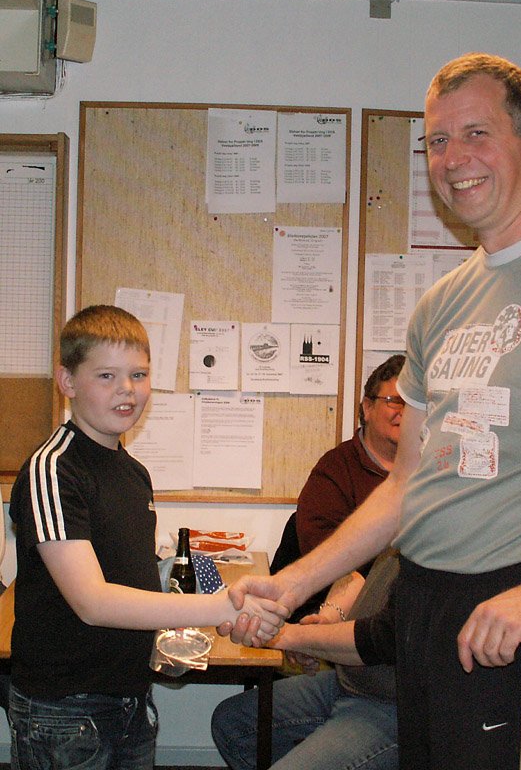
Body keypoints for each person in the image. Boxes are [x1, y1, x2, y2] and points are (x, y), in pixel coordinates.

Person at [226, 53, 521, 769]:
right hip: (420, 602)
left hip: (503, 608)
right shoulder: (442, 301)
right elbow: (405, 484)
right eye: (437, 140)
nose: (453, 159)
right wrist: (290, 584)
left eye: (477, 133)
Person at [8, 304, 287, 770]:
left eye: (138, 375)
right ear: (67, 381)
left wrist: (175, 635)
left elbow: (132, 581)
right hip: (65, 711)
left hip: (131, 699)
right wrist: (219, 606)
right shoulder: (53, 469)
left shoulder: (134, 473)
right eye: (107, 376)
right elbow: (93, 602)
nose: (127, 389)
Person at [212, 549, 399, 770]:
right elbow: (357, 574)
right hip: (349, 682)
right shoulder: (400, 532)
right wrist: (325, 620)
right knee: (232, 723)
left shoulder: (434, 554)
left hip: (395, 707)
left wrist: (286, 636)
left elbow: (380, 639)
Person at [296, 353, 405, 562]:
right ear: (368, 408)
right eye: (395, 402)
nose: (404, 412)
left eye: (413, 405)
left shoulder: (434, 469)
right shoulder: (336, 469)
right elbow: (318, 546)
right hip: (356, 579)